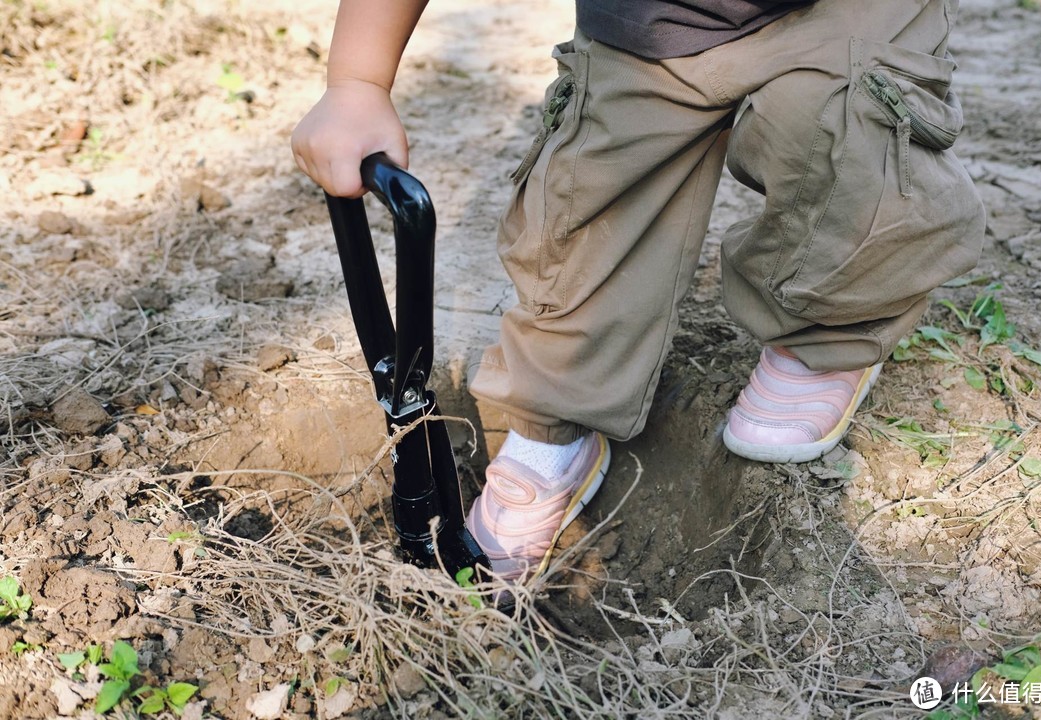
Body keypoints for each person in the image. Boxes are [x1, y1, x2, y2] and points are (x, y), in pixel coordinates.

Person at [292, 0, 985, 580]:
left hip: (844, 14)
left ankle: (830, 329)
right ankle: (555, 422)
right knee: (583, 208)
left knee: (843, 138)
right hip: (646, 20)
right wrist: (358, 79)